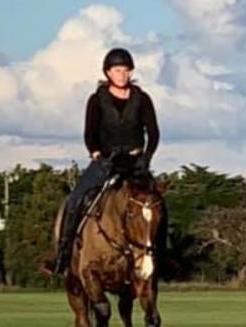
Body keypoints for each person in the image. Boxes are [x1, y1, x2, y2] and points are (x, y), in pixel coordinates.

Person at [53, 47, 165, 275]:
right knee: (75, 199)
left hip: (135, 162)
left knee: (155, 203)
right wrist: (95, 153)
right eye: (117, 70)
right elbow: (89, 133)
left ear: (131, 72)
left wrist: (146, 157)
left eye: (125, 70)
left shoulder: (142, 99)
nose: (122, 74)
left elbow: (153, 133)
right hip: (106, 160)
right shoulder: (96, 100)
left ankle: (163, 253)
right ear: (108, 73)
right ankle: (63, 254)